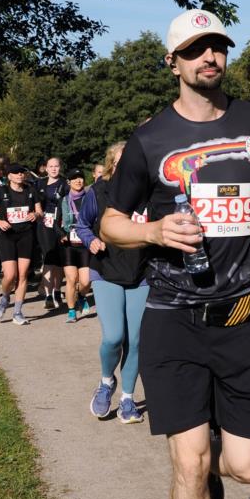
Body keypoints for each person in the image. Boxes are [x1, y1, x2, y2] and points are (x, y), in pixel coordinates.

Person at [100, 8, 250, 499]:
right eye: (196, 50)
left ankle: (204, 480)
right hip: (174, 315)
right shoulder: (149, 138)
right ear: (173, 63)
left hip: (242, 315)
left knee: (245, 467)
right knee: (188, 456)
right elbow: (110, 222)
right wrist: (151, 229)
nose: (210, 57)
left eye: (218, 47)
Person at [79, 143, 149, 423]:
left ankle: (128, 400)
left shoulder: (150, 192)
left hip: (141, 273)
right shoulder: (98, 191)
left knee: (136, 340)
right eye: (121, 161)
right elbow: (82, 224)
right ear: (111, 164)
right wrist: (91, 240)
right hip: (106, 269)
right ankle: (107, 382)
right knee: (113, 337)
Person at [0, 164, 42, 325]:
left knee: (23, 275)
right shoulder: (1, 192)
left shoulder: (31, 191)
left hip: (26, 235)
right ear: (9, 176)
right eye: (15, 173)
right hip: (7, 236)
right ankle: (4, 299)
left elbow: (40, 211)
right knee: (10, 275)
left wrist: (35, 214)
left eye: (21, 173)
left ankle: (17, 312)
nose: (19, 175)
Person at [59, 168, 94, 323]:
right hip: (69, 245)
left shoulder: (90, 198)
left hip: (85, 244)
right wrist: (61, 235)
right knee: (71, 279)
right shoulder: (64, 200)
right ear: (69, 182)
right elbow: (56, 222)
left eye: (80, 178)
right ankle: (71, 311)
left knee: (86, 281)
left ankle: (81, 296)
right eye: (74, 179)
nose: (78, 181)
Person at [35, 156, 68, 310]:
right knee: (48, 257)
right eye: (51, 166)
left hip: (59, 224)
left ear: (59, 168)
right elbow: (34, 202)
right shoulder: (39, 183)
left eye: (56, 166)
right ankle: (48, 295)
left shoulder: (65, 184)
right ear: (46, 168)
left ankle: (57, 290)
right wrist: (38, 212)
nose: (54, 169)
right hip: (44, 224)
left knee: (59, 260)